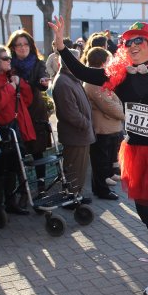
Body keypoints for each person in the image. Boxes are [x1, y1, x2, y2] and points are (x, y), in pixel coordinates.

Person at [49, 17, 148, 295]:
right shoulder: (121, 77)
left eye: (138, 41)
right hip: (136, 153)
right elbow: (83, 72)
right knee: (145, 212)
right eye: (127, 42)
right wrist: (61, 47)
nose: (132, 46)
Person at [0, 45, 35, 224]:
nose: (9, 60)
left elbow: (27, 98)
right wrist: (11, 86)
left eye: (9, 58)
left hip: (16, 129)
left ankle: (11, 203)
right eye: (5, 58)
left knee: (13, 169)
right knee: (0, 172)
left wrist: (20, 83)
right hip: (2, 132)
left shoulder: (10, 77)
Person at [7, 30, 51, 203]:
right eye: (18, 45)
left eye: (25, 44)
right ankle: (24, 191)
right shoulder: (9, 65)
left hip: (35, 112)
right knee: (18, 153)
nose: (22, 48)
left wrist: (43, 82)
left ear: (31, 46)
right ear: (13, 47)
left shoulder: (38, 63)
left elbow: (43, 81)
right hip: (17, 113)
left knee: (38, 153)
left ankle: (41, 188)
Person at [52, 48, 96, 202]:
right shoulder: (63, 81)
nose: (81, 63)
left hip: (80, 133)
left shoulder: (71, 78)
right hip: (76, 134)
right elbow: (70, 113)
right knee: (74, 168)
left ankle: (76, 195)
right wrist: (86, 124)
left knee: (80, 168)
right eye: (77, 60)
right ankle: (71, 198)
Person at [83, 46, 123, 200]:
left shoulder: (99, 79)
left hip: (109, 126)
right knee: (100, 162)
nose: (110, 64)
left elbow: (115, 99)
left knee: (106, 160)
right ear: (101, 62)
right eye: (108, 61)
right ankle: (101, 190)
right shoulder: (93, 81)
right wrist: (124, 114)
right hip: (102, 128)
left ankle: (103, 186)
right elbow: (108, 104)